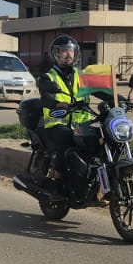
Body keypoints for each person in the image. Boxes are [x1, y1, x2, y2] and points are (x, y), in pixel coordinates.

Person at [35, 35, 93, 197]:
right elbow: (46, 97)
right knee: (66, 140)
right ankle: (57, 180)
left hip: (81, 124)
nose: (69, 54)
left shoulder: (82, 76)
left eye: (72, 51)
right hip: (57, 123)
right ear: (56, 54)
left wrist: (124, 100)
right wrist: (56, 103)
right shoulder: (49, 77)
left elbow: (103, 91)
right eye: (64, 51)